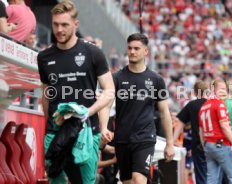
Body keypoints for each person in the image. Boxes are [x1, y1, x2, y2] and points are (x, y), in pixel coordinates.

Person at [37, 1, 114, 183]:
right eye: (55, 24)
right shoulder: (44, 57)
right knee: (56, 180)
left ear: (75, 25)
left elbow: (109, 90)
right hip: (55, 131)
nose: (59, 29)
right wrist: (50, 123)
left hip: (86, 132)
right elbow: (46, 94)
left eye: (65, 25)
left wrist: (89, 112)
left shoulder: (93, 52)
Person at [111, 33, 175, 184]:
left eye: (136, 48)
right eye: (130, 48)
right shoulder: (117, 77)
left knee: (139, 180)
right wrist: (103, 128)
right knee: (127, 182)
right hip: (122, 139)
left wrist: (170, 144)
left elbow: (165, 113)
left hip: (145, 138)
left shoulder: (156, 80)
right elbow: (106, 105)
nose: (132, 52)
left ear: (146, 51)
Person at [199, 79, 232, 184]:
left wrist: (205, 145)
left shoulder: (204, 106)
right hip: (221, 144)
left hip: (209, 145)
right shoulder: (219, 104)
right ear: (213, 89)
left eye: (225, 89)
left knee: (211, 180)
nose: (224, 91)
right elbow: (224, 126)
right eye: (222, 89)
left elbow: (201, 131)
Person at [174, 80, 208, 184]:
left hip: (198, 146)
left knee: (201, 176)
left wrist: (172, 141)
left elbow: (180, 122)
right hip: (215, 144)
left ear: (195, 92)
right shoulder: (214, 104)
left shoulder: (192, 105)